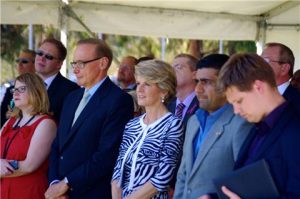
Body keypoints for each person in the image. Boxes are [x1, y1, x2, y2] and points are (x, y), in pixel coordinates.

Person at [45, 38, 134, 199]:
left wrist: (67, 183)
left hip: (91, 193)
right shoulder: (71, 97)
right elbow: (57, 145)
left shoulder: (118, 100)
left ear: (103, 63)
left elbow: (107, 154)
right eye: (74, 64)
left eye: (81, 63)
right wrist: (54, 184)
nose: (75, 70)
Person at [217, 53, 300, 198]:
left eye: (239, 101)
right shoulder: (258, 126)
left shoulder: (295, 130)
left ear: (258, 87)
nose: (236, 111)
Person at [173, 54, 252, 199]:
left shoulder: (241, 123)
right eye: (197, 81)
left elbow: (244, 181)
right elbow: (183, 175)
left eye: (206, 82)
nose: (198, 89)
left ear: (227, 83)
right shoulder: (193, 121)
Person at [111, 59, 184, 199]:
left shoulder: (173, 124)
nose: (139, 89)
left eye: (147, 84)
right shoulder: (132, 125)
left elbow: (162, 177)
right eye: (138, 83)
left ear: (164, 90)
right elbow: (118, 170)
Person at [0, 73, 57, 199]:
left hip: (28, 191)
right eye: (14, 89)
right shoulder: (11, 121)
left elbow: (29, 165)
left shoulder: (46, 123)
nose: (15, 93)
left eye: (22, 89)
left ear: (35, 91)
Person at [35, 38, 79, 122]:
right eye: (40, 53)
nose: (42, 58)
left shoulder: (72, 91)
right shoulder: (24, 84)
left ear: (59, 64)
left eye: (48, 57)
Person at [261, 42, 300, 113]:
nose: (259, 65)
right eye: (259, 60)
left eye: (265, 61)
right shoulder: (255, 96)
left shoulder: (297, 102)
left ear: (284, 68)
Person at [1, 49, 36, 127]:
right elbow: (2, 116)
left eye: (24, 61)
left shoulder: (41, 88)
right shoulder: (10, 90)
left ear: (35, 64)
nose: (19, 64)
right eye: (18, 61)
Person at [168, 54, 199, 126]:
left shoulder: (203, 105)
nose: (172, 71)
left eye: (179, 67)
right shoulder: (166, 107)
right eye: (171, 68)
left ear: (194, 74)